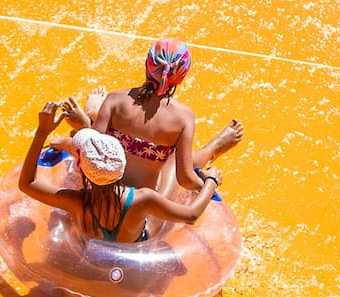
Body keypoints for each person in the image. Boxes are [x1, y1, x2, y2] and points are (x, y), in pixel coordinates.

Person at [19, 99, 222, 243]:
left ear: (80, 166)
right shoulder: (143, 199)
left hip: (90, 244)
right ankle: (211, 149)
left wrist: (42, 131)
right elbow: (192, 215)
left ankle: (87, 121)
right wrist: (211, 180)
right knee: (171, 160)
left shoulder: (76, 201)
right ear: (123, 164)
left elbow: (26, 183)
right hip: (135, 242)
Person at [71, 38, 242, 195]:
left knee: (94, 136)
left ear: (147, 64)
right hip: (139, 205)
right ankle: (213, 148)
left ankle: (91, 117)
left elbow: (89, 153)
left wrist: (85, 125)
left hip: (100, 195)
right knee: (175, 157)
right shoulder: (183, 118)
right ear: (181, 78)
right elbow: (185, 179)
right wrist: (209, 183)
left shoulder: (115, 100)